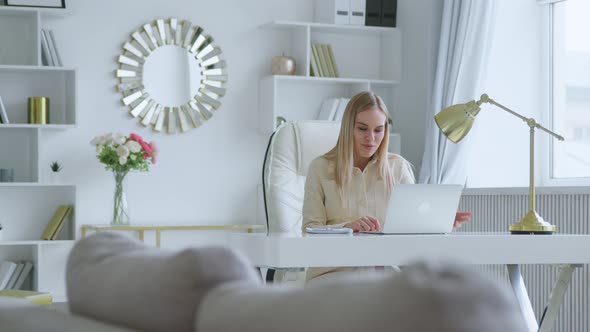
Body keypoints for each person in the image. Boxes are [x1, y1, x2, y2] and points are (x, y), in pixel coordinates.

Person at [302, 91, 471, 283]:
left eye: (378, 130)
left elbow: (413, 229)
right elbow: (309, 231)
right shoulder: (320, 168)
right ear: (349, 128)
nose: (371, 138)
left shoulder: (398, 168)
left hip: (384, 274)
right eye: (362, 129)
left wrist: (438, 224)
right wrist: (347, 227)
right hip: (333, 275)